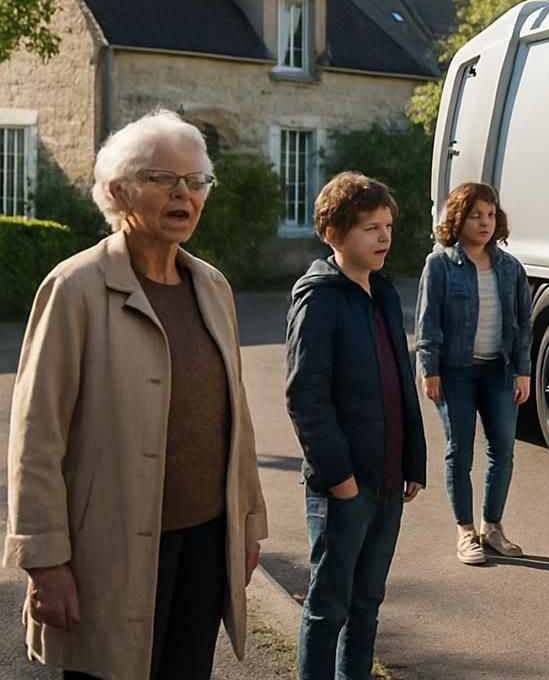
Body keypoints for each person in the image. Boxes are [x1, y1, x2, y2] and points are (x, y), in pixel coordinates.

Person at [5, 109, 267, 680]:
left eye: (195, 181)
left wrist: (247, 522)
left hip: (204, 542)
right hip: (111, 547)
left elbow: (235, 419)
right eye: (161, 179)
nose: (183, 194)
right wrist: (45, 561)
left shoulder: (212, 286)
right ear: (119, 192)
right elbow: (35, 438)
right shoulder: (75, 288)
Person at [285, 172, 427, 679]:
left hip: (388, 481)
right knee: (329, 608)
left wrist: (412, 461)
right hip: (344, 486)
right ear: (334, 233)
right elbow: (306, 397)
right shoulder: (319, 298)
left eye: (387, 225)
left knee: (367, 604)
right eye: (370, 227)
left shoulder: (383, 292)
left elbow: (400, 385)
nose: (384, 237)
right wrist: (340, 481)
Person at [416, 182, 533, 565]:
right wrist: (429, 369)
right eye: (475, 215)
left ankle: (492, 528)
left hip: (499, 372)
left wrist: (523, 371)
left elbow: (522, 325)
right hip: (455, 373)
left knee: (503, 451)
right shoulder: (440, 265)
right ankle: (466, 531)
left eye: (490, 214)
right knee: (459, 452)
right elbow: (428, 321)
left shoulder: (510, 267)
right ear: (457, 219)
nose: (485, 222)